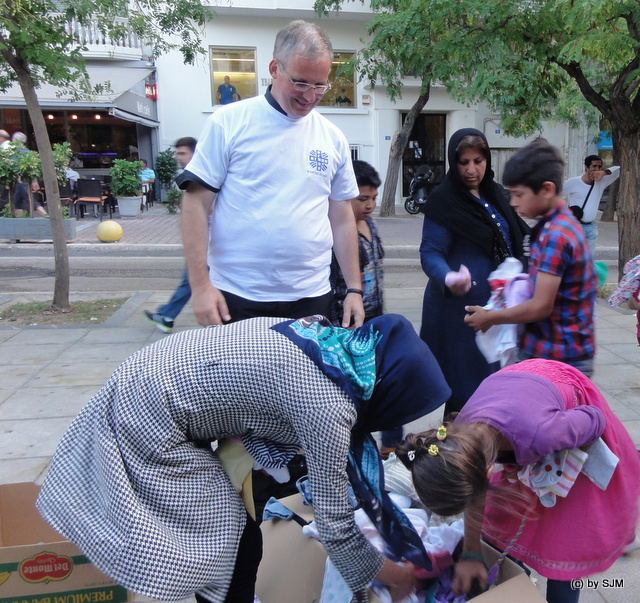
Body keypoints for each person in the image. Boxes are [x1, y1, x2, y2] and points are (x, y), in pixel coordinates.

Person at [36, 314, 452, 603]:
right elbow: (334, 527)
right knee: (229, 543)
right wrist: (393, 575)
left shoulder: (327, 345)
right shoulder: (329, 407)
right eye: (402, 408)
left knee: (237, 542)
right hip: (146, 410)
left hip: (150, 374)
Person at [396, 359, 640, 603]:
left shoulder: (542, 435)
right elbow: (475, 492)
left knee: (565, 542)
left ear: (486, 473)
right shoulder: (458, 438)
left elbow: (595, 418)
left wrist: (562, 455)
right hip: (519, 396)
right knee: (503, 520)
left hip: (562, 395)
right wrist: (471, 553)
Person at [177, 20, 364, 329]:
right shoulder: (229, 122)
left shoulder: (332, 137)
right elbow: (195, 204)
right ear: (275, 68)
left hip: (312, 296)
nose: (310, 96)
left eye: (320, 85)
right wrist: (200, 287)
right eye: (300, 83)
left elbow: (342, 218)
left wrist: (354, 289)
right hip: (237, 296)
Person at [420, 128, 529, 414]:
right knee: (465, 388)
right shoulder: (444, 200)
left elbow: (520, 235)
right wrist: (448, 276)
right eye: (464, 162)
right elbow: (430, 252)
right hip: (461, 311)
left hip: (496, 307)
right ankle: (456, 441)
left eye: (478, 161)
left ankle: (482, 439)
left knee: (493, 387)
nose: (472, 170)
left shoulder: (496, 193)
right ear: (453, 162)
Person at [465, 140, 597, 377]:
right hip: (551, 351)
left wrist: (491, 318)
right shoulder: (554, 225)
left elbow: (540, 306)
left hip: (558, 358)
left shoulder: (556, 234)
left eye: (519, 194)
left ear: (546, 189)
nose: (513, 202)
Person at [329, 160, 401, 457]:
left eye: (373, 198)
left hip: (375, 318)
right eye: (362, 199)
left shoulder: (370, 224)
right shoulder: (337, 230)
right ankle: (355, 449)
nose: (370, 205)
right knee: (357, 389)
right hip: (348, 324)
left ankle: (392, 445)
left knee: (389, 380)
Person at [144, 137, 198, 333]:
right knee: (190, 280)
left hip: (208, 244)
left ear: (195, 154)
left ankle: (167, 316)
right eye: (177, 153)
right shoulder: (192, 176)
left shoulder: (201, 178)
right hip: (204, 243)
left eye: (182, 153)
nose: (178, 157)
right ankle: (167, 314)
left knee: (191, 279)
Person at [563, 155, 619, 254]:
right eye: (594, 166)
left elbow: (619, 170)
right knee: (574, 257)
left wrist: (604, 173)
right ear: (586, 167)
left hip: (591, 227)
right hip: (576, 227)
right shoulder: (574, 182)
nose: (597, 169)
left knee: (589, 259)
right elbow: (555, 194)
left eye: (599, 167)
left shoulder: (601, 182)